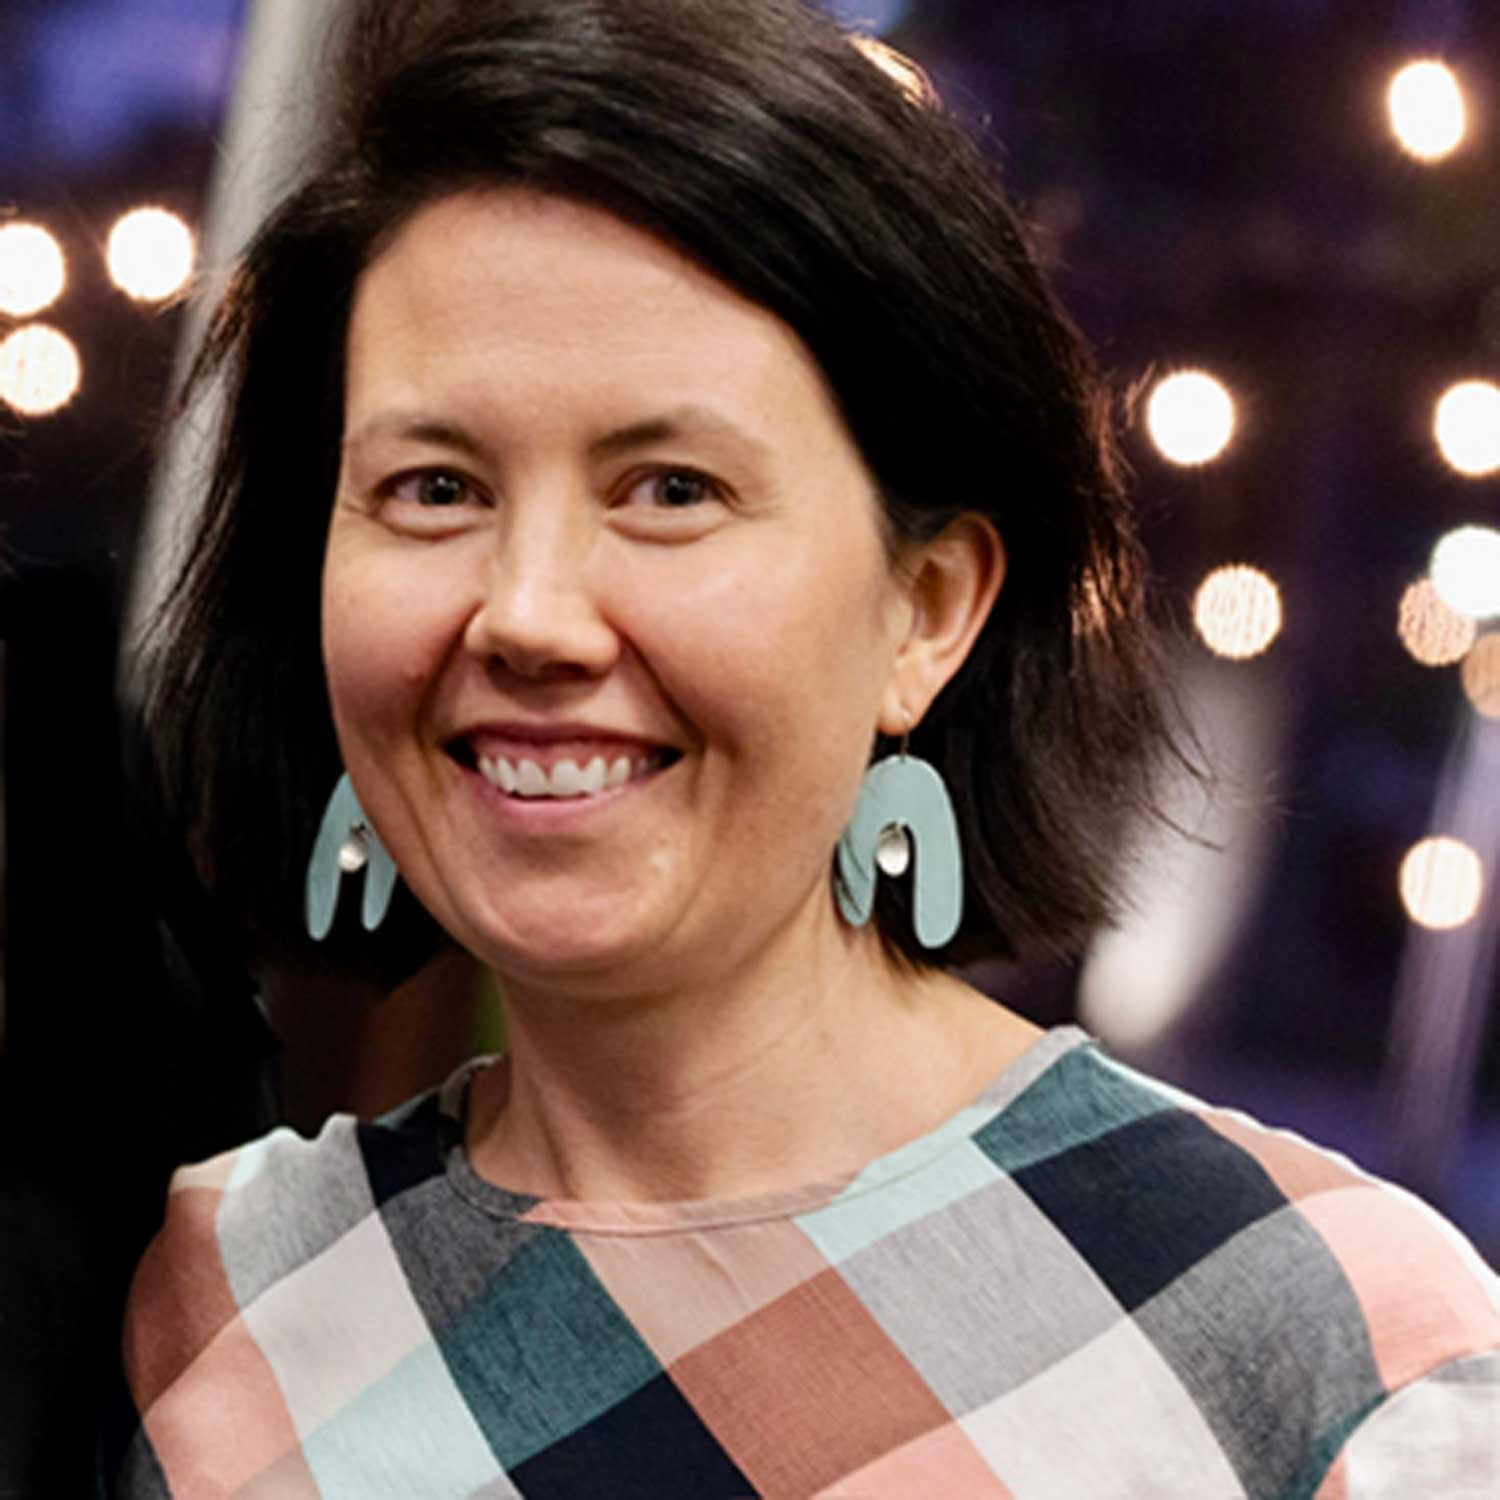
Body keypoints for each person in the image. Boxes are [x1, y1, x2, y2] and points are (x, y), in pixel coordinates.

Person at [117, 0, 1500, 1494]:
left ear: (927, 609)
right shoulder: (211, 1298)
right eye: (435, 486)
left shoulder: (1323, 1339)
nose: (527, 616)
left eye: (670, 488)